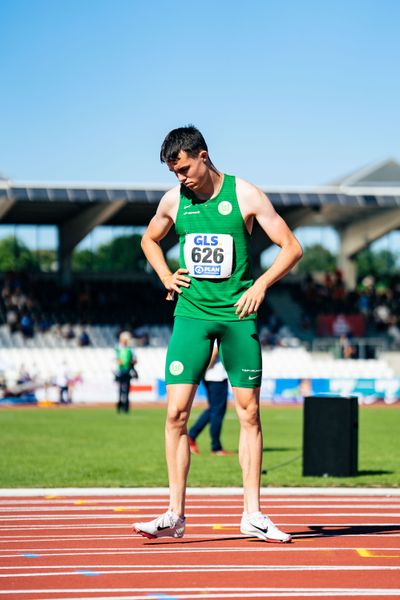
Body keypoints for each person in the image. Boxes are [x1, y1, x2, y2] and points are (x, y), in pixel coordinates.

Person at [134, 125, 302, 543]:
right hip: (191, 315)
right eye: (175, 173)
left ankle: (253, 514)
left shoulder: (244, 194)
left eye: (186, 169)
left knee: (249, 413)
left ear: (203, 156)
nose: (181, 179)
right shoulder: (174, 200)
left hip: (236, 315)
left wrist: (261, 285)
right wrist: (164, 275)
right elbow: (149, 239)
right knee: (175, 414)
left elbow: (292, 247)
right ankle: (175, 514)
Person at [188, 342, 232, 456]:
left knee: (213, 409)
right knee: (217, 411)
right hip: (216, 377)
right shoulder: (216, 328)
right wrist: (204, 369)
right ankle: (216, 447)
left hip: (210, 376)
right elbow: (214, 352)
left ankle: (191, 436)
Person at [115, 331, 137, 413]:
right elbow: (117, 359)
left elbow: (134, 360)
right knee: (120, 390)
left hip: (127, 371)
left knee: (127, 390)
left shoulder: (130, 349)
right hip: (121, 371)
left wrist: (132, 362)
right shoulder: (118, 349)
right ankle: (119, 406)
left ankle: (126, 407)